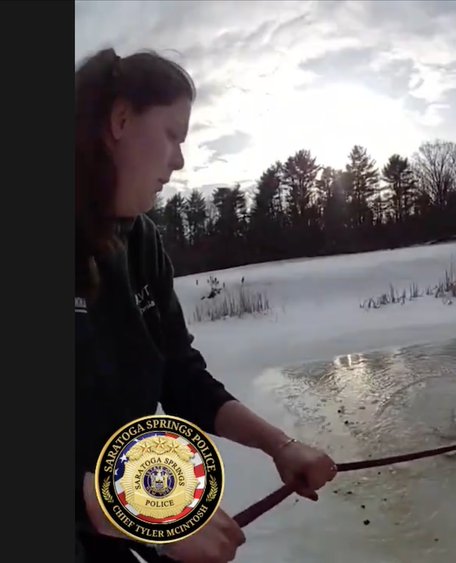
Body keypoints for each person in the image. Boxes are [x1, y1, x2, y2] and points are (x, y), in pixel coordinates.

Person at [75, 48, 337, 562]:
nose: (179, 160)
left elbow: (180, 376)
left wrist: (280, 446)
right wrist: (134, 512)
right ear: (120, 119)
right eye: (173, 134)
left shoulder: (143, 243)